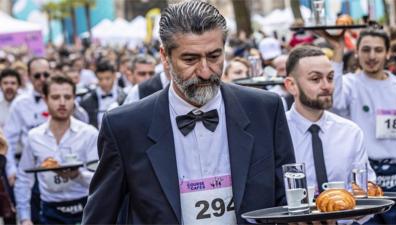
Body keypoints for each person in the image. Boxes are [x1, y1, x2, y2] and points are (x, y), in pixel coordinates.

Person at [82, 1, 295, 224]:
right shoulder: (124, 126)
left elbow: (288, 200)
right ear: (165, 57)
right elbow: (100, 216)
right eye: (190, 59)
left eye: (214, 56)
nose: (205, 71)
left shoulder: (266, 110)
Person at [318, 28, 396, 225]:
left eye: (378, 50)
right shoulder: (349, 83)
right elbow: (334, 101)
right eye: (366, 50)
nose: (371, 56)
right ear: (356, 52)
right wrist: (337, 48)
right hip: (365, 172)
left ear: (387, 53)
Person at [284, 45, 375, 194]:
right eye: (315, 79)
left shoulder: (350, 132)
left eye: (330, 77)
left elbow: (365, 188)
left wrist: (354, 213)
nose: (327, 86)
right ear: (291, 85)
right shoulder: (278, 132)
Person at [14, 75, 98, 225]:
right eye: (55, 97)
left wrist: (77, 175)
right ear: (45, 99)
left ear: (74, 99)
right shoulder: (34, 136)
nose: (62, 103)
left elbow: (100, 179)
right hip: (49, 210)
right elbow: (24, 179)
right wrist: (25, 217)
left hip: (85, 208)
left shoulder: (89, 133)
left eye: (67, 97)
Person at [80, 60, 126, 128]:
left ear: (114, 76)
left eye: (107, 78)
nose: (104, 82)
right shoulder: (87, 101)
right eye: (100, 79)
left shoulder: (124, 97)